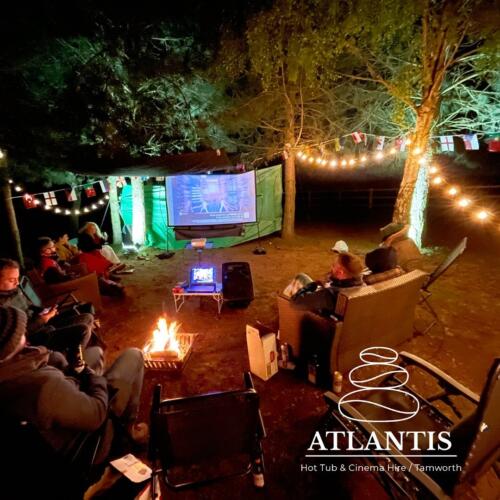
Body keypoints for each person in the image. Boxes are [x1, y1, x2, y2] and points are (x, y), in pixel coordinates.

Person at [0, 306, 148, 469]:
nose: (25, 334)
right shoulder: (42, 386)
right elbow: (97, 412)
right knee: (134, 355)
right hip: (90, 440)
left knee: (95, 352)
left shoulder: (12, 372)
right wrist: (90, 375)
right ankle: (126, 433)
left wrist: (65, 364)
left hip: (67, 406)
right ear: (9, 346)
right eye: (19, 333)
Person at [0, 258, 95, 357]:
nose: (17, 283)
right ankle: (72, 361)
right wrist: (42, 319)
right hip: (35, 338)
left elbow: (30, 306)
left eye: (17, 278)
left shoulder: (16, 290)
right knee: (83, 331)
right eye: (12, 280)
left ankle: (73, 353)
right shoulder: (2, 309)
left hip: (44, 324)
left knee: (88, 317)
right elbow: (17, 337)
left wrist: (45, 311)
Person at [287, 252, 365, 316]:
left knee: (299, 278)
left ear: (340, 272)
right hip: (343, 318)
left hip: (320, 322)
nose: (331, 267)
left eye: (333, 265)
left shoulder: (328, 295)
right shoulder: (362, 286)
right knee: (302, 277)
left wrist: (314, 284)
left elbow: (295, 302)